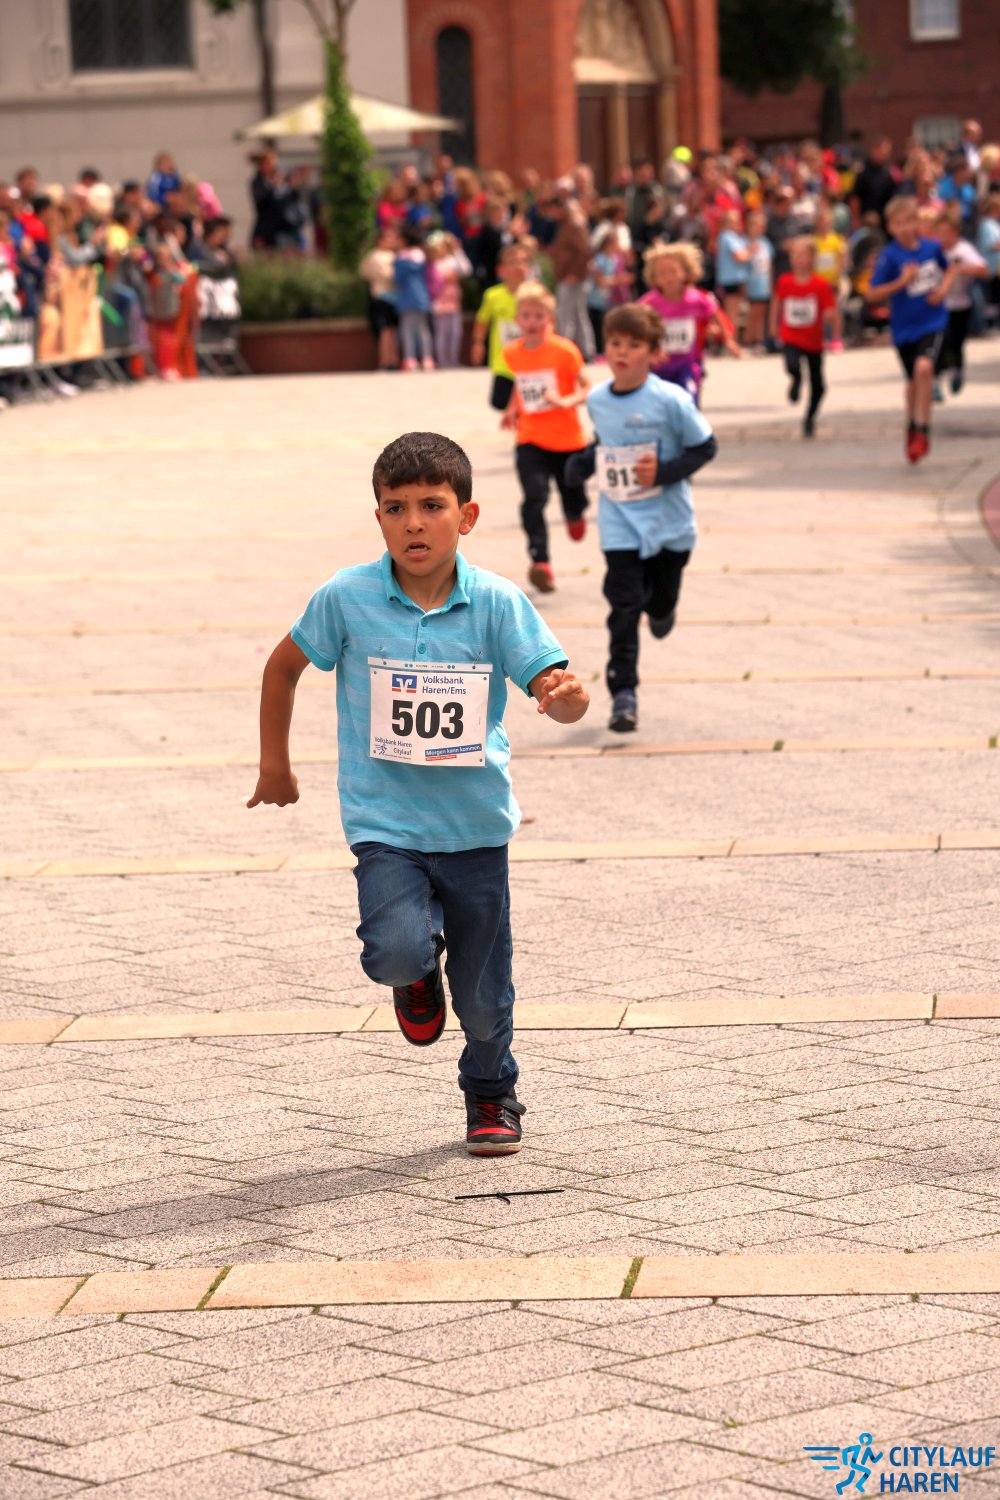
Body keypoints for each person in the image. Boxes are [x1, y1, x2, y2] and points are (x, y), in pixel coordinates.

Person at [247, 431, 589, 1155]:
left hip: (474, 829)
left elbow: (552, 690)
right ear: (377, 517)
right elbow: (282, 668)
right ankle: (415, 976)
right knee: (396, 951)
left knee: (485, 997)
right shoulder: (347, 597)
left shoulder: (496, 601)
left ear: (466, 516)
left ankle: (491, 1090)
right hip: (386, 825)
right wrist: (275, 764)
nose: (413, 523)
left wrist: (567, 700)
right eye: (395, 508)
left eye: (432, 506)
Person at [568, 303, 718, 733]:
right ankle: (623, 693)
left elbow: (705, 447)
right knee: (623, 607)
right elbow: (605, 444)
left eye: (634, 345)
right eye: (615, 342)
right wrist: (583, 464)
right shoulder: (597, 399)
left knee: (659, 603)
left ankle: (664, 607)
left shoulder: (671, 399)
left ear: (654, 353)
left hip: (670, 524)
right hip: (620, 523)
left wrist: (664, 472)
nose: (622, 351)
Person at [501, 281, 590, 593]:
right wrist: (512, 409)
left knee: (573, 496)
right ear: (517, 319)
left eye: (539, 315)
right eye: (526, 315)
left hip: (568, 441)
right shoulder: (512, 352)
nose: (532, 321)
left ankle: (575, 513)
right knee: (533, 498)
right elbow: (522, 383)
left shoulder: (564, 351)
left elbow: (586, 386)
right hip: (531, 438)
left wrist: (566, 401)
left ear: (549, 318)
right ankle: (541, 562)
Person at [867, 196, 953, 463]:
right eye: (898, 223)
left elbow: (950, 269)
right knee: (913, 381)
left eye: (908, 221)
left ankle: (923, 429)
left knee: (924, 368)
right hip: (904, 328)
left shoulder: (931, 247)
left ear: (917, 222)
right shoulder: (889, 256)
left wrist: (943, 290)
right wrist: (901, 282)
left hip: (933, 321)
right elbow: (872, 293)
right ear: (890, 227)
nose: (904, 228)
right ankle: (911, 425)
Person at [639, 242, 740, 404]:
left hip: (688, 365)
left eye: (673, 271)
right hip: (658, 367)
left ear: (686, 272)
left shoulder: (697, 299)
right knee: (659, 406)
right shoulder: (648, 303)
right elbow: (636, 325)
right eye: (662, 273)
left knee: (688, 401)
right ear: (653, 277)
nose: (668, 277)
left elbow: (716, 313)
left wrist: (727, 339)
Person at [770, 236, 840, 438]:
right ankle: (796, 379)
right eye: (796, 255)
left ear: (812, 258)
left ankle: (810, 418)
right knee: (792, 365)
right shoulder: (785, 281)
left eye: (804, 255)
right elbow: (777, 302)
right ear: (791, 259)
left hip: (813, 341)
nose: (800, 260)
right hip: (791, 336)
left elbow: (830, 310)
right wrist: (773, 325)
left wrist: (833, 331)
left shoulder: (820, 285)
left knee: (819, 385)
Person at [933, 210, 989, 397]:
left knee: (956, 342)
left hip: (960, 304)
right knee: (940, 342)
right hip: (939, 306)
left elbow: (983, 269)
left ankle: (957, 371)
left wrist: (960, 268)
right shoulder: (934, 250)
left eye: (947, 232)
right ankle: (935, 380)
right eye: (940, 232)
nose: (943, 237)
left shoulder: (963, 249)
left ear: (956, 232)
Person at [470, 243, 529, 410]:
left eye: (523, 262)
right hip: (503, 362)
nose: (519, 266)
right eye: (513, 262)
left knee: (527, 404)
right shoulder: (493, 295)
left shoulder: (535, 294)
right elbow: (482, 320)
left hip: (530, 360)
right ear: (501, 270)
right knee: (500, 402)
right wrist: (478, 343)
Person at [426, 231, 471, 369]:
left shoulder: (452, 260)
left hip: (454, 301)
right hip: (439, 302)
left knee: (455, 333)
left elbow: (466, 269)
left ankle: (453, 361)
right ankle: (442, 361)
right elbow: (432, 284)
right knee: (442, 333)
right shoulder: (433, 264)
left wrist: (458, 251)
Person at [394, 225, 435, 371]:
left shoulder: (400, 257)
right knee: (423, 329)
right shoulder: (422, 255)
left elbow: (397, 279)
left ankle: (409, 358)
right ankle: (427, 358)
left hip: (406, 296)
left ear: (404, 240)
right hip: (421, 295)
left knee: (407, 329)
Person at [360, 226, 400, 371]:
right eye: (388, 238)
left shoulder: (394, 255)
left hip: (395, 297)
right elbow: (379, 274)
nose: (392, 240)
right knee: (385, 330)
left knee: (392, 331)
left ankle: (394, 361)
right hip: (382, 296)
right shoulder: (375, 256)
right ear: (379, 240)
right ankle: (385, 362)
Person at [715, 207, 750, 338]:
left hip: (734, 279)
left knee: (734, 311)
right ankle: (730, 338)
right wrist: (751, 252)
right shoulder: (727, 236)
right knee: (731, 312)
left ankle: (731, 337)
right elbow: (739, 257)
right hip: (730, 279)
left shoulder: (732, 237)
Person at [745, 210, 774, 349]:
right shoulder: (744, 242)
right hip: (751, 282)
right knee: (752, 311)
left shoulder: (766, 243)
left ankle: (758, 339)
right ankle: (748, 339)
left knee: (761, 311)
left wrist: (771, 282)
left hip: (764, 281)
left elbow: (770, 264)